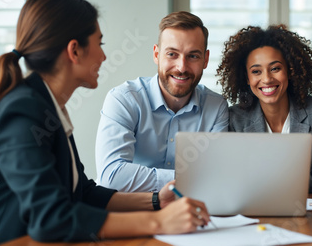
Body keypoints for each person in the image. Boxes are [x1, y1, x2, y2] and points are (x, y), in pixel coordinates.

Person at [0, 0, 211, 245]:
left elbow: (82, 193)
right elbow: (51, 219)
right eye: (99, 44)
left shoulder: (47, 105)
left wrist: (156, 201)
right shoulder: (23, 110)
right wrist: (159, 222)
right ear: (74, 51)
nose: (103, 57)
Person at [95, 11, 228, 192]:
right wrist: (184, 180)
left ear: (205, 59)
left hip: (191, 212)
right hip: (132, 212)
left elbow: (219, 177)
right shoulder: (124, 100)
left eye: (193, 56)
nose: (182, 67)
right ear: (156, 54)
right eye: (172, 54)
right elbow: (111, 176)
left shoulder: (216, 107)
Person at [217, 25, 312, 193]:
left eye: (275, 68)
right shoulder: (233, 120)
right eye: (256, 71)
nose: (266, 79)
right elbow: (231, 180)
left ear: (290, 70)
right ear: (247, 78)